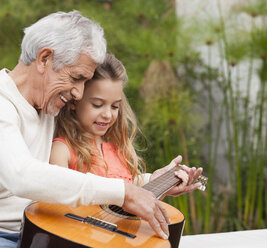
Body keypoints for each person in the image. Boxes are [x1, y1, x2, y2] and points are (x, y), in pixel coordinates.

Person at [0, 10, 201, 248]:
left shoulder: (49, 106)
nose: (79, 93)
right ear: (44, 59)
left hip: (42, 229)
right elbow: (22, 176)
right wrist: (124, 192)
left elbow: (80, 175)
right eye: (76, 78)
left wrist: (148, 183)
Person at [50, 52, 203, 219]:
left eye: (115, 106)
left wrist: (156, 181)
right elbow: (59, 206)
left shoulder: (116, 148)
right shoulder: (62, 150)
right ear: (74, 100)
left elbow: (126, 194)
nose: (108, 114)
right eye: (97, 104)